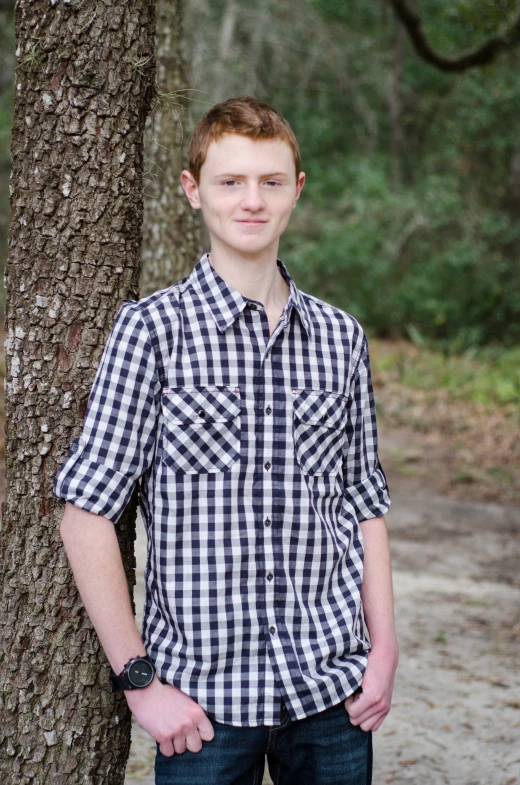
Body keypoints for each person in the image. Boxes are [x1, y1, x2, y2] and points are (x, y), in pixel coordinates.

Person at [54, 96, 398, 785]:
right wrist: (140, 682)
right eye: (230, 181)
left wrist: (383, 647)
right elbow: (85, 512)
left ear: (296, 191)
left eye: (271, 182)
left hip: (332, 694)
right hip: (202, 706)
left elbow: (363, 502)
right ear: (193, 190)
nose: (252, 200)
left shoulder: (340, 338)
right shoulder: (152, 332)